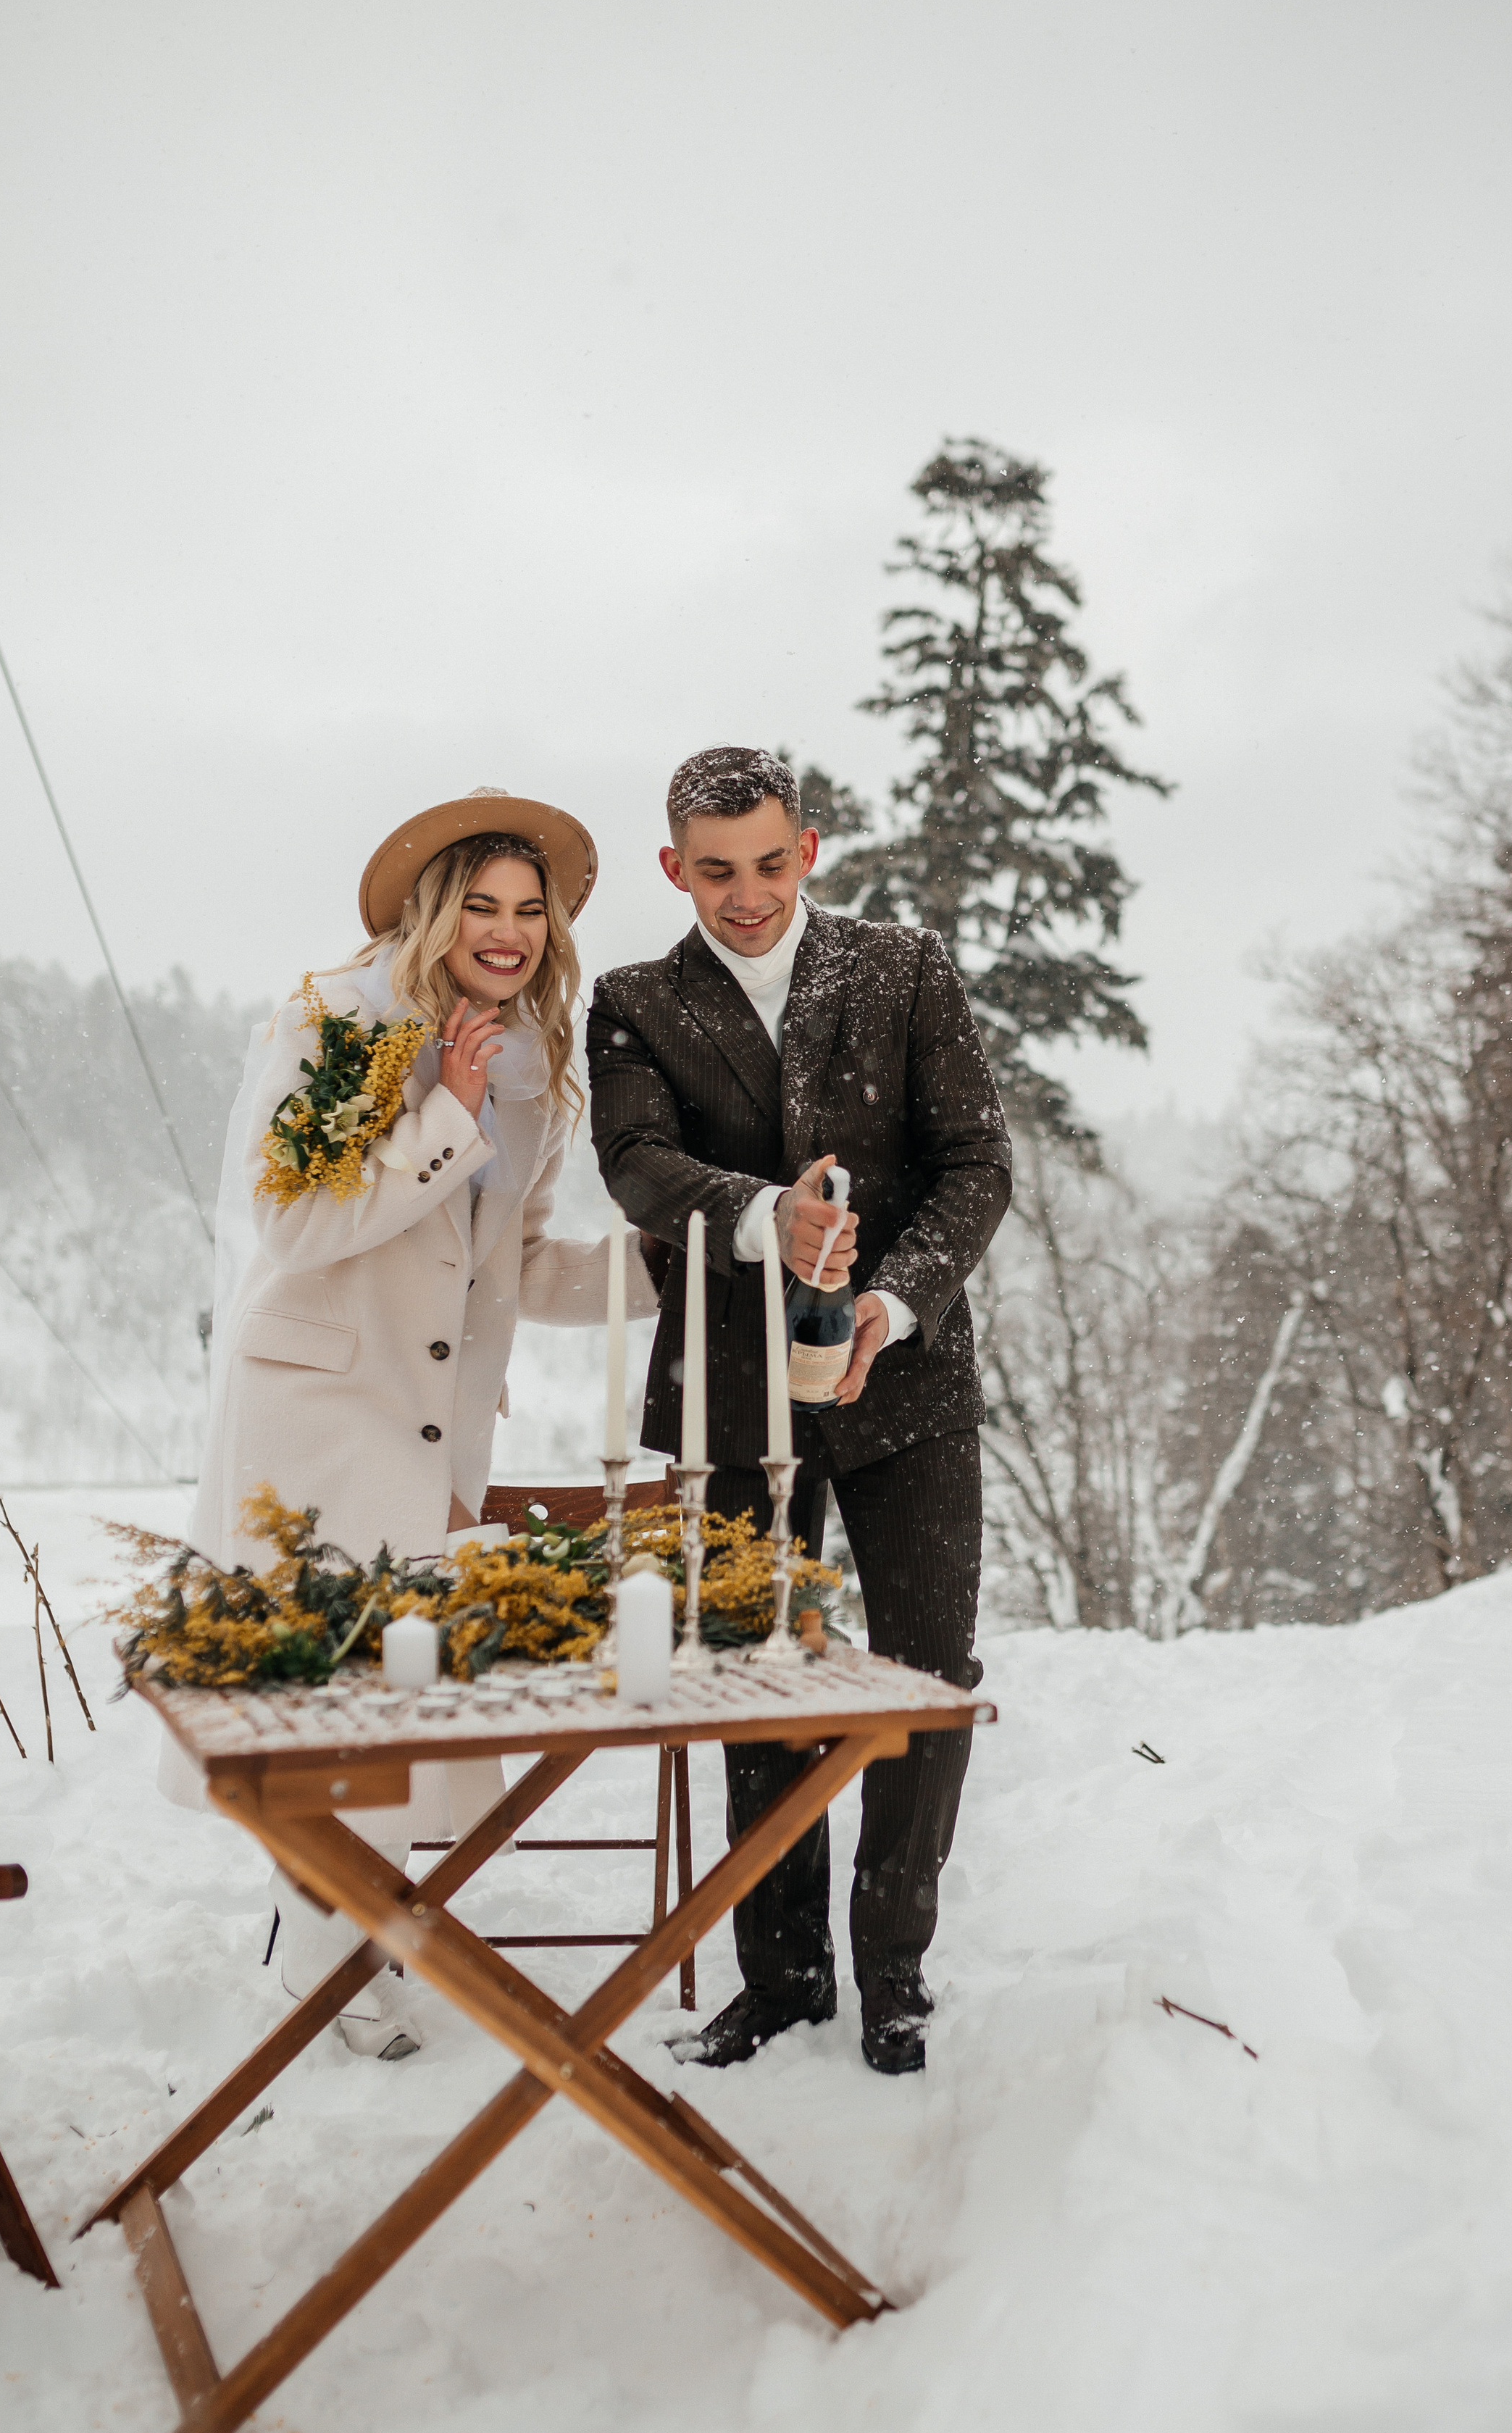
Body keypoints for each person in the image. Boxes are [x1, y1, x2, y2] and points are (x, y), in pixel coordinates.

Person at [169, 790, 654, 2057]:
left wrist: (675, 1268)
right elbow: (297, 1226)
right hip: (315, 1409)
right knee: (326, 1706)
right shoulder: (334, 1020)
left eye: (530, 912)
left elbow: (522, 1270)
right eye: (482, 906)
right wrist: (437, 1112)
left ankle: (329, 1936)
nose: (507, 933)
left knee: (395, 1699)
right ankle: (321, 1949)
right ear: (436, 913)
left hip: (434, 1425)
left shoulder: (539, 1075)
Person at [588, 746, 1011, 2075]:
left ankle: (895, 1970)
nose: (748, 895)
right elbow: (637, 1166)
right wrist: (770, 1217)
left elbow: (976, 1160)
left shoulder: (903, 967)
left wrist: (891, 1300)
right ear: (674, 869)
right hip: (725, 1392)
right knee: (751, 1680)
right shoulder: (634, 1000)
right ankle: (780, 1978)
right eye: (715, 873)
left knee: (927, 1677)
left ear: (809, 849)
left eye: (770, 864)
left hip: (908, 1383)